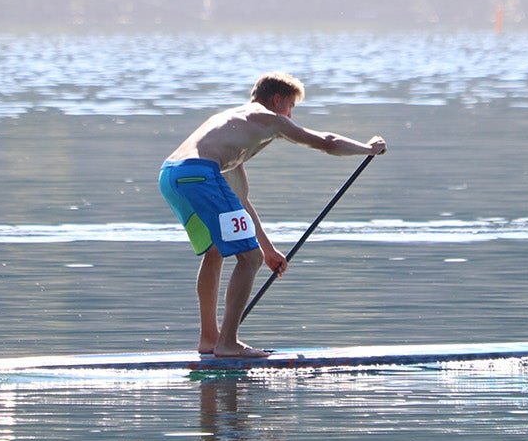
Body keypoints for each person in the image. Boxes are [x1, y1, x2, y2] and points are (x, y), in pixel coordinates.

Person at [158, 72, 387, 358]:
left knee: (216, 250)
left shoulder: (229, 127)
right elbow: (326, 141)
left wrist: (267, 250)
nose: (290, 116)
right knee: (248, 258)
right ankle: (228, 343)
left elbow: (240, 201)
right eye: (291, 106)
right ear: (277, 100)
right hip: (198, 176)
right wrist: (368, 149)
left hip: (171, 175)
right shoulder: (269, 119)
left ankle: (210, 338)